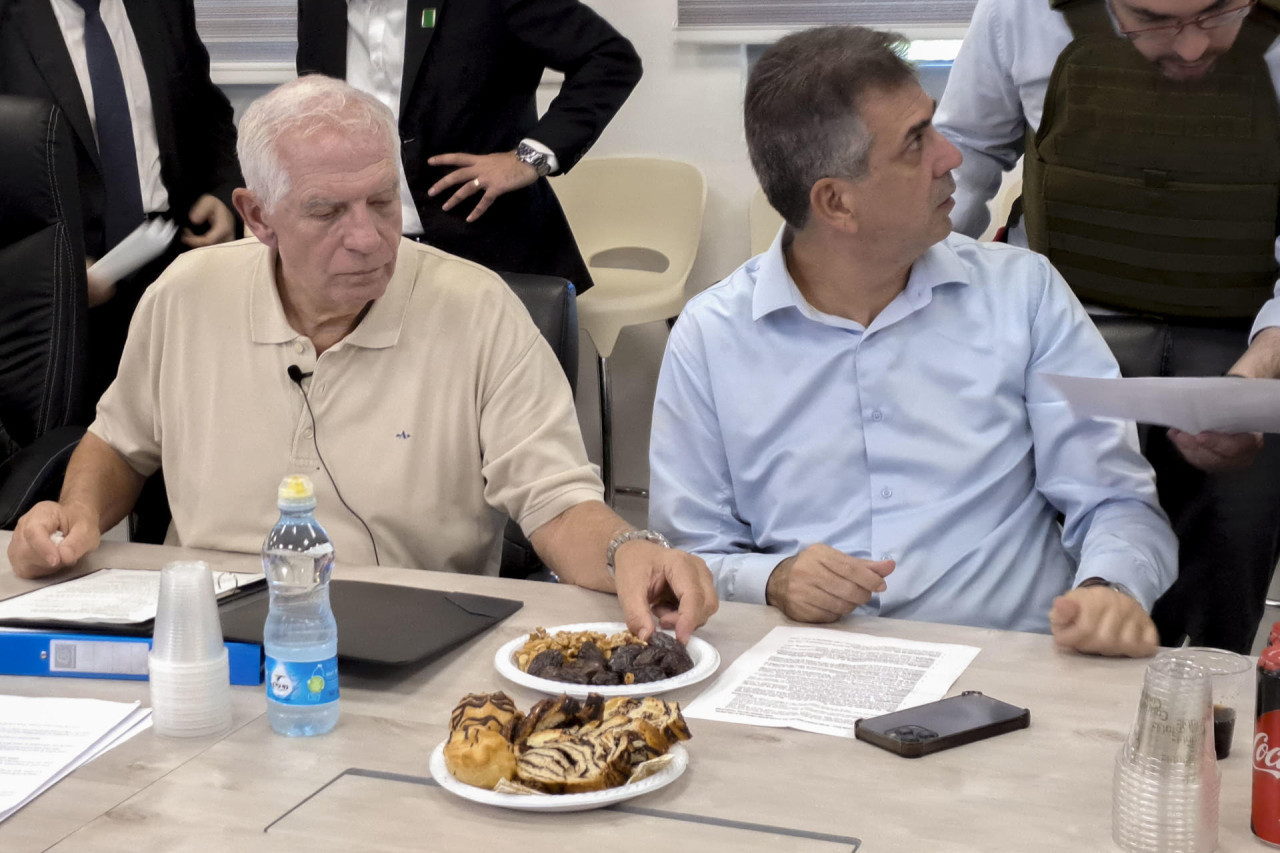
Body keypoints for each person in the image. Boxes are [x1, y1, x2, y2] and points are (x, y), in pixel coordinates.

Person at [5, 76, 716, 643]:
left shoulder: (477, 309)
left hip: (409, 633)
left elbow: (557, 502)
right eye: (326, 212)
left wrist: (629, 552)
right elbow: (119, 446)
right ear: (257, 217)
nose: (369, 238)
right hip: (212, 631)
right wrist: (74, 518)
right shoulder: (187, 295)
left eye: (382, 200)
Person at [648, 26, 1178, 657]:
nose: (951, 156)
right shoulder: (712, 336)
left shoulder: (1024, 294)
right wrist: (775, 579)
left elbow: (1116, 500)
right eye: (915, 142)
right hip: (807, 673)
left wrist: (1109, 588)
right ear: (836, 202)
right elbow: (689, 556)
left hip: (1012, 665)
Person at [934, 0, 1280, 654]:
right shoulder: (1021, 10)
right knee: (1069, 596)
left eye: (1218, 12)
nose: (1189, 47)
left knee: (1219, 610)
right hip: (1063, 332)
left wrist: (1256, 376)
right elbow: (963, 158)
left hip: (1248, 340)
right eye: (1151, 17)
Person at [295, 0, 643, 292]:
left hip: (488, 250)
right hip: (364, 255)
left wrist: (530, 156)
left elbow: (610, 59)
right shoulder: (319, 6)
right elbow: (316, 99)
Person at [0, 0, 242, 402]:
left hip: (174, 257)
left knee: (183, 424)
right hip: (68, 285)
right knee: (80, 446)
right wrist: (52, 273)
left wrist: (223, 192)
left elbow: (206, 111)